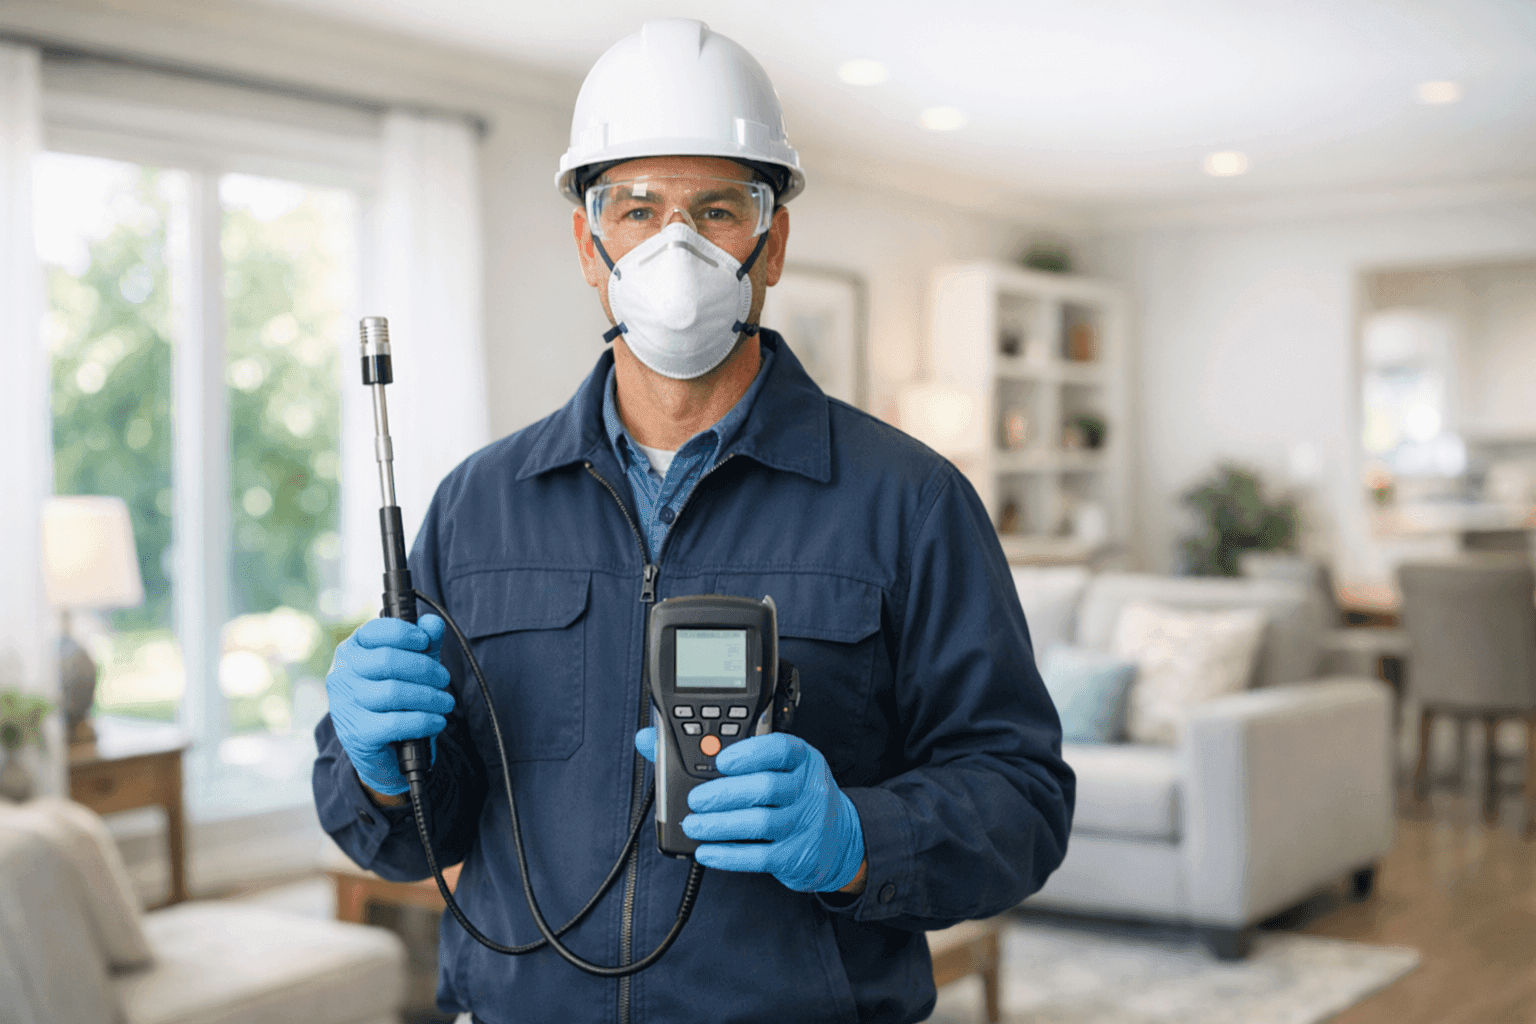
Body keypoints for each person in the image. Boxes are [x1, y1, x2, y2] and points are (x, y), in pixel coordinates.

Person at [314, 18, 1073, 1024]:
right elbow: (415, 838)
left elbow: (1024, 800)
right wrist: (375, 768)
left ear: (773, 242)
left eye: (718, 209)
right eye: (636, 209)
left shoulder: (910, 501)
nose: (676, 246)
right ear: (589, 246)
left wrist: (859, 839)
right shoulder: (476, 504)